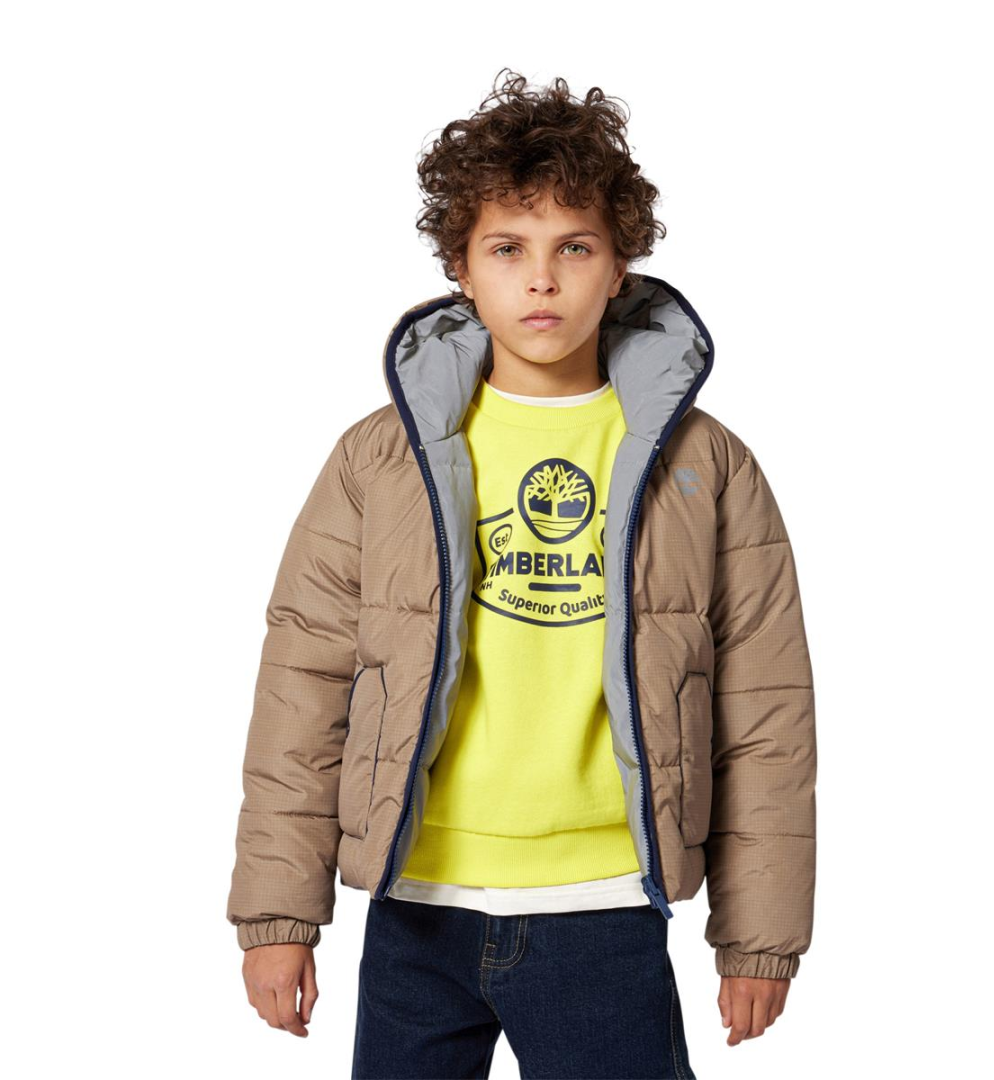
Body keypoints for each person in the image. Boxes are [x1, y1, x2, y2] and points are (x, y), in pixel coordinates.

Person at [227, 68, 817, 1079]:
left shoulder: (705, 465)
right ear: (460, 265)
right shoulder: (380, 458)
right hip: (418, 904)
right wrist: (278, 914)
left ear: (620, 264)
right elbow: (302, 688)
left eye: (573, 247)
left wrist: (759, 937)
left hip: (605, 903)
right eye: (508, 248)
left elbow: (766, 710)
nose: (541, 280)